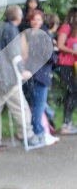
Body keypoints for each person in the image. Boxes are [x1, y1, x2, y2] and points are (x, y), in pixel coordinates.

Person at [0, 5, 41, 151]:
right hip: (7, 77)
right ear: (18, 17)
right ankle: (27, 136)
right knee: (22, 109)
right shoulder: (12, 30)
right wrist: (22, 71)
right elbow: (14, 54)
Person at [21, 10, 58, 146]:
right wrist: (54, 54)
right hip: (40, 75)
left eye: (38, 19)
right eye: (34, 19)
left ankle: (35, 133)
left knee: (34, 106)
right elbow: (50, 57)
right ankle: (38, 133)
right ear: (30, 20)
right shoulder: (44, 35)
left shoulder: (27, 34)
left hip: (30, 73)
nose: (36, 22)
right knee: (38, 106)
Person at [56, 7, 77, 135]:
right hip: (64, 64)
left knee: (72, 92)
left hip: (74, 65)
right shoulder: (66, 27)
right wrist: (73, 51)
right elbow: (60, 45)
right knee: (73, 91)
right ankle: (66, 123)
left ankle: (67, 122)